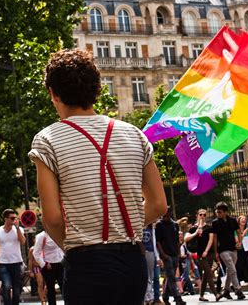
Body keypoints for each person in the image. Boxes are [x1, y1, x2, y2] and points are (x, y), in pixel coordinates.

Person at [29, 49, 167, 305]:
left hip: (87, 263)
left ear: (53, 93)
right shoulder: (134, 134)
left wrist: (73, 247)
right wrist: (129, 228)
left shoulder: (48, 140)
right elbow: (159, 204)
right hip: (132, 261)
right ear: (97, 88)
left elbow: (52, 218)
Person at [0, 209, 26, 305]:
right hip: (3, 264)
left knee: (16, 289)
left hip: (17, 263)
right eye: (12, 218)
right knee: (6, 286)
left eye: (15, 218)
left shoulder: (18, 229)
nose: (14, 219)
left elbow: (23, 242)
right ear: (5, 219)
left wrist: (18, 227)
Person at [212, 202, 245, 300]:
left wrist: (240, 242)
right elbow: (215, 238)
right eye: (217, 212)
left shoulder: (233, 220)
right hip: (222, 249)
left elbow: (239, 232)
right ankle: (238, 290)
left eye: (220, 212)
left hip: (233, 248)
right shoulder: (215, 222)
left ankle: (226, 290)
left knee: (230, 270)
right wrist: (215, 251)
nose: (218, 214)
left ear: (225, 212)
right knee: (233, 270)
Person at [185, 209, 220, 302]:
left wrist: (207, 250)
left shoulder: (209, 227)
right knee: (208, 272)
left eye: (204, 215)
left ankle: (201, 295)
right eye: (201, 214)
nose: (203, 216)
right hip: (200, 254)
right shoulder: (193, 228)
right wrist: (196, 232)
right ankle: (216, 294)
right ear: (197, 215)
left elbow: (211, 239)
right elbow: (186, 238)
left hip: (210, 253)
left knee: (206, 274)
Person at [156, 207, 186, 305]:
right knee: (172, 277)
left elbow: (177, 240)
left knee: (170, 277)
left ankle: (165, 296)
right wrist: (163, 254)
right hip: (166, 255)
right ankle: (178, 298)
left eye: (166, 213)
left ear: (170, 213)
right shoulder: (159, 225)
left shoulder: (175, 225)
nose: (165, 216)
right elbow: (158, 241)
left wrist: (178, 254)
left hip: (174, 254)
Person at [33, 230, 64, 305]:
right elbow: (36, 253)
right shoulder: (41, 236)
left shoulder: (60, 233)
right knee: (50, 289)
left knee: (64, 288)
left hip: (61, 263)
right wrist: (44, 264)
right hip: (49, 266)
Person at [143, 222, 164, 305]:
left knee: (151, 276)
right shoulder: (140, 227)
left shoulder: (152, 228)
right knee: (145, 275)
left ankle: (150, 297)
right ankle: (147, 297)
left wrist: (157, 257)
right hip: (142, 253)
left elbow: (154, 243)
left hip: (150, 252)